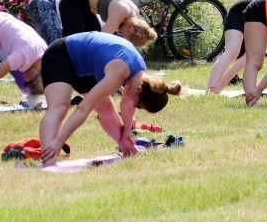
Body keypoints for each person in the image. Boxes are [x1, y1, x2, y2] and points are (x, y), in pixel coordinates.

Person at [38, 31, 183, 165]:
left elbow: (127, 105)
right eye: (137, 104)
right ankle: (48, 160)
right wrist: (58, 141)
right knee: (60, 107)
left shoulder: (139, 75)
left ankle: (128, 149)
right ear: (138, 89)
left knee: (106, 107)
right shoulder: (118, 74)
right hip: (60, 55)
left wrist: (126, 134)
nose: (134, 105)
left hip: (85, 64)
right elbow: (83, 109)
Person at [58, 0, 156, 46]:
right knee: (74, 42)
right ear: (129, 31)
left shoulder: (133, 15)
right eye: (128, 42)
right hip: (74, 0)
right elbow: (100, 41)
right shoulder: (122, 12)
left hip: (88, 9)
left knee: (91, 37)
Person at [206, 0, 253, 93]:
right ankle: (210, 90)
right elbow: (249, 56)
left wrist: (223, 83)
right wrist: (222, 83)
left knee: (237, 52)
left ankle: (211, 91)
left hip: (248, 9)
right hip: (240, 9)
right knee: (232, 51)